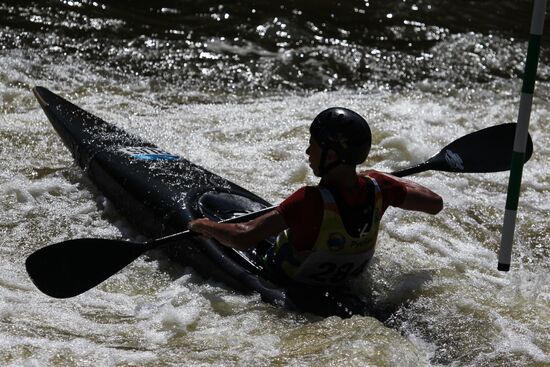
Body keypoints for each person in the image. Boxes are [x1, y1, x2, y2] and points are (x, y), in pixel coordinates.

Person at [188, 107, 443, 287]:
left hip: (289, 281)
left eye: (314, 145)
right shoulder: (381, 188)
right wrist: (384, 178)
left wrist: (201, 225)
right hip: (343, 284)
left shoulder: (308, 201)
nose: (308, 151)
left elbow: (242, 236)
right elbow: (434, 203)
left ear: (331, 156)